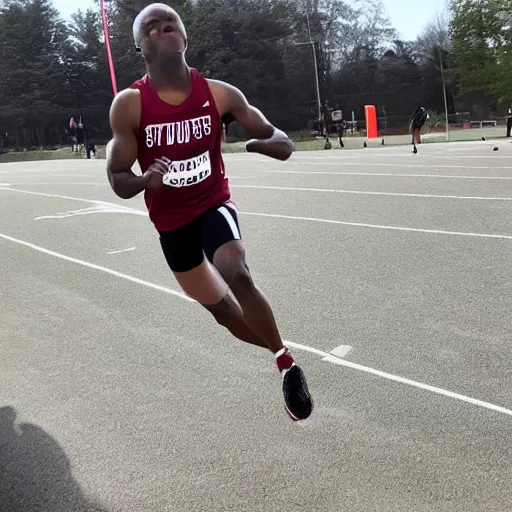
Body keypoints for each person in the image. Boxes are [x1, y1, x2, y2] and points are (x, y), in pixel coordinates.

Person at [106, 3, 313, 421]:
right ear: (139, 46)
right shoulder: (129, 106)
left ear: (185, 38)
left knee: (236, 271)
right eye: (151, 28)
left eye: (171, 24)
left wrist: (260, 144)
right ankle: (278, 346)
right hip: (170, 223)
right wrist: (145, 180)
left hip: (212, 202)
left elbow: (282, 141)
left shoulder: (219, 94)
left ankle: (287, 365)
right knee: (221, 313)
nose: (163, 29)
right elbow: (116, 176)